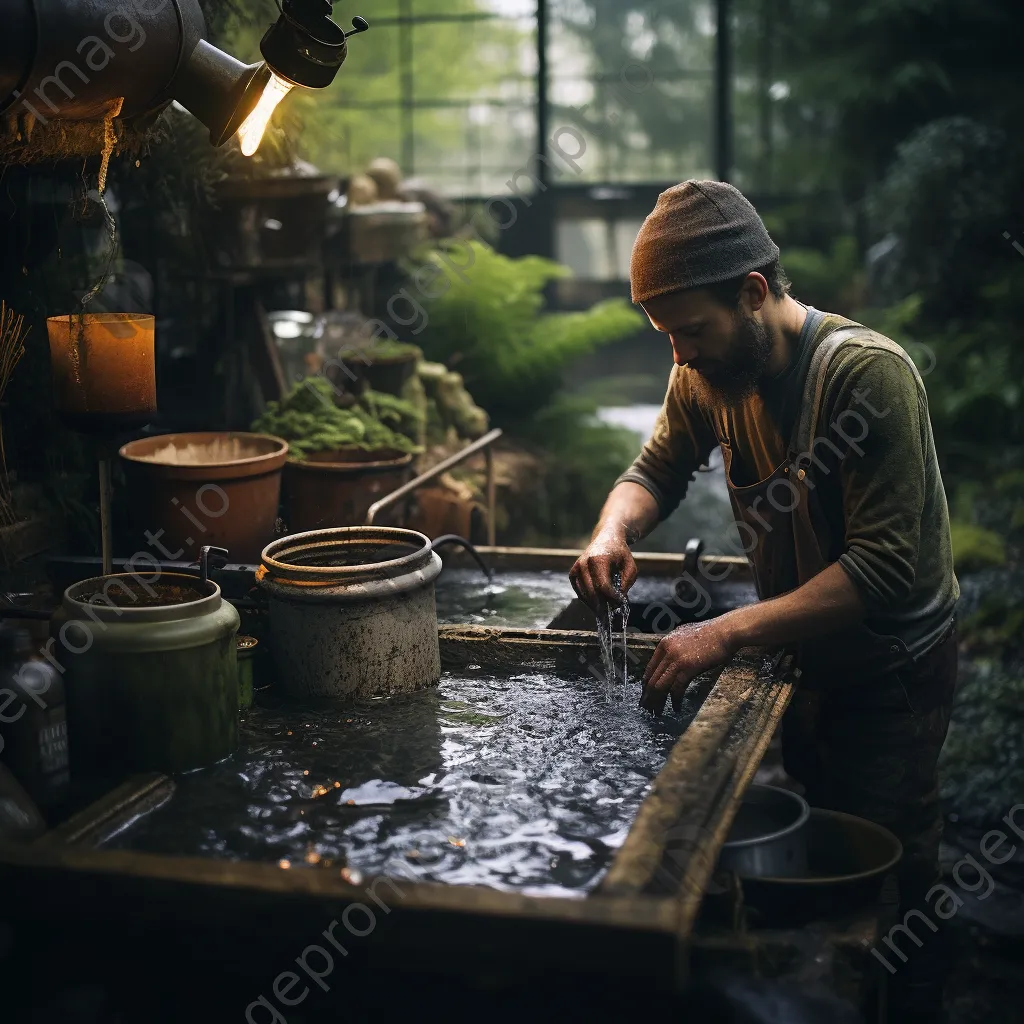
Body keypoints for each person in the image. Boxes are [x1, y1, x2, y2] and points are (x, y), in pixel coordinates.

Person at [570, 181, 959, 1021]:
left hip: (893, 668)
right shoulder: (710, 375)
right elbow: (653, 473)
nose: (678, 356)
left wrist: (724, 632)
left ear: (752, 293)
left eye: (691, 331)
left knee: (893, 857)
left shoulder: (866, 377)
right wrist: (611, 532)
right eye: (665, 334)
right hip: (806, 656)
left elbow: (885, 569)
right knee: (824, 830)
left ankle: (920, 995)